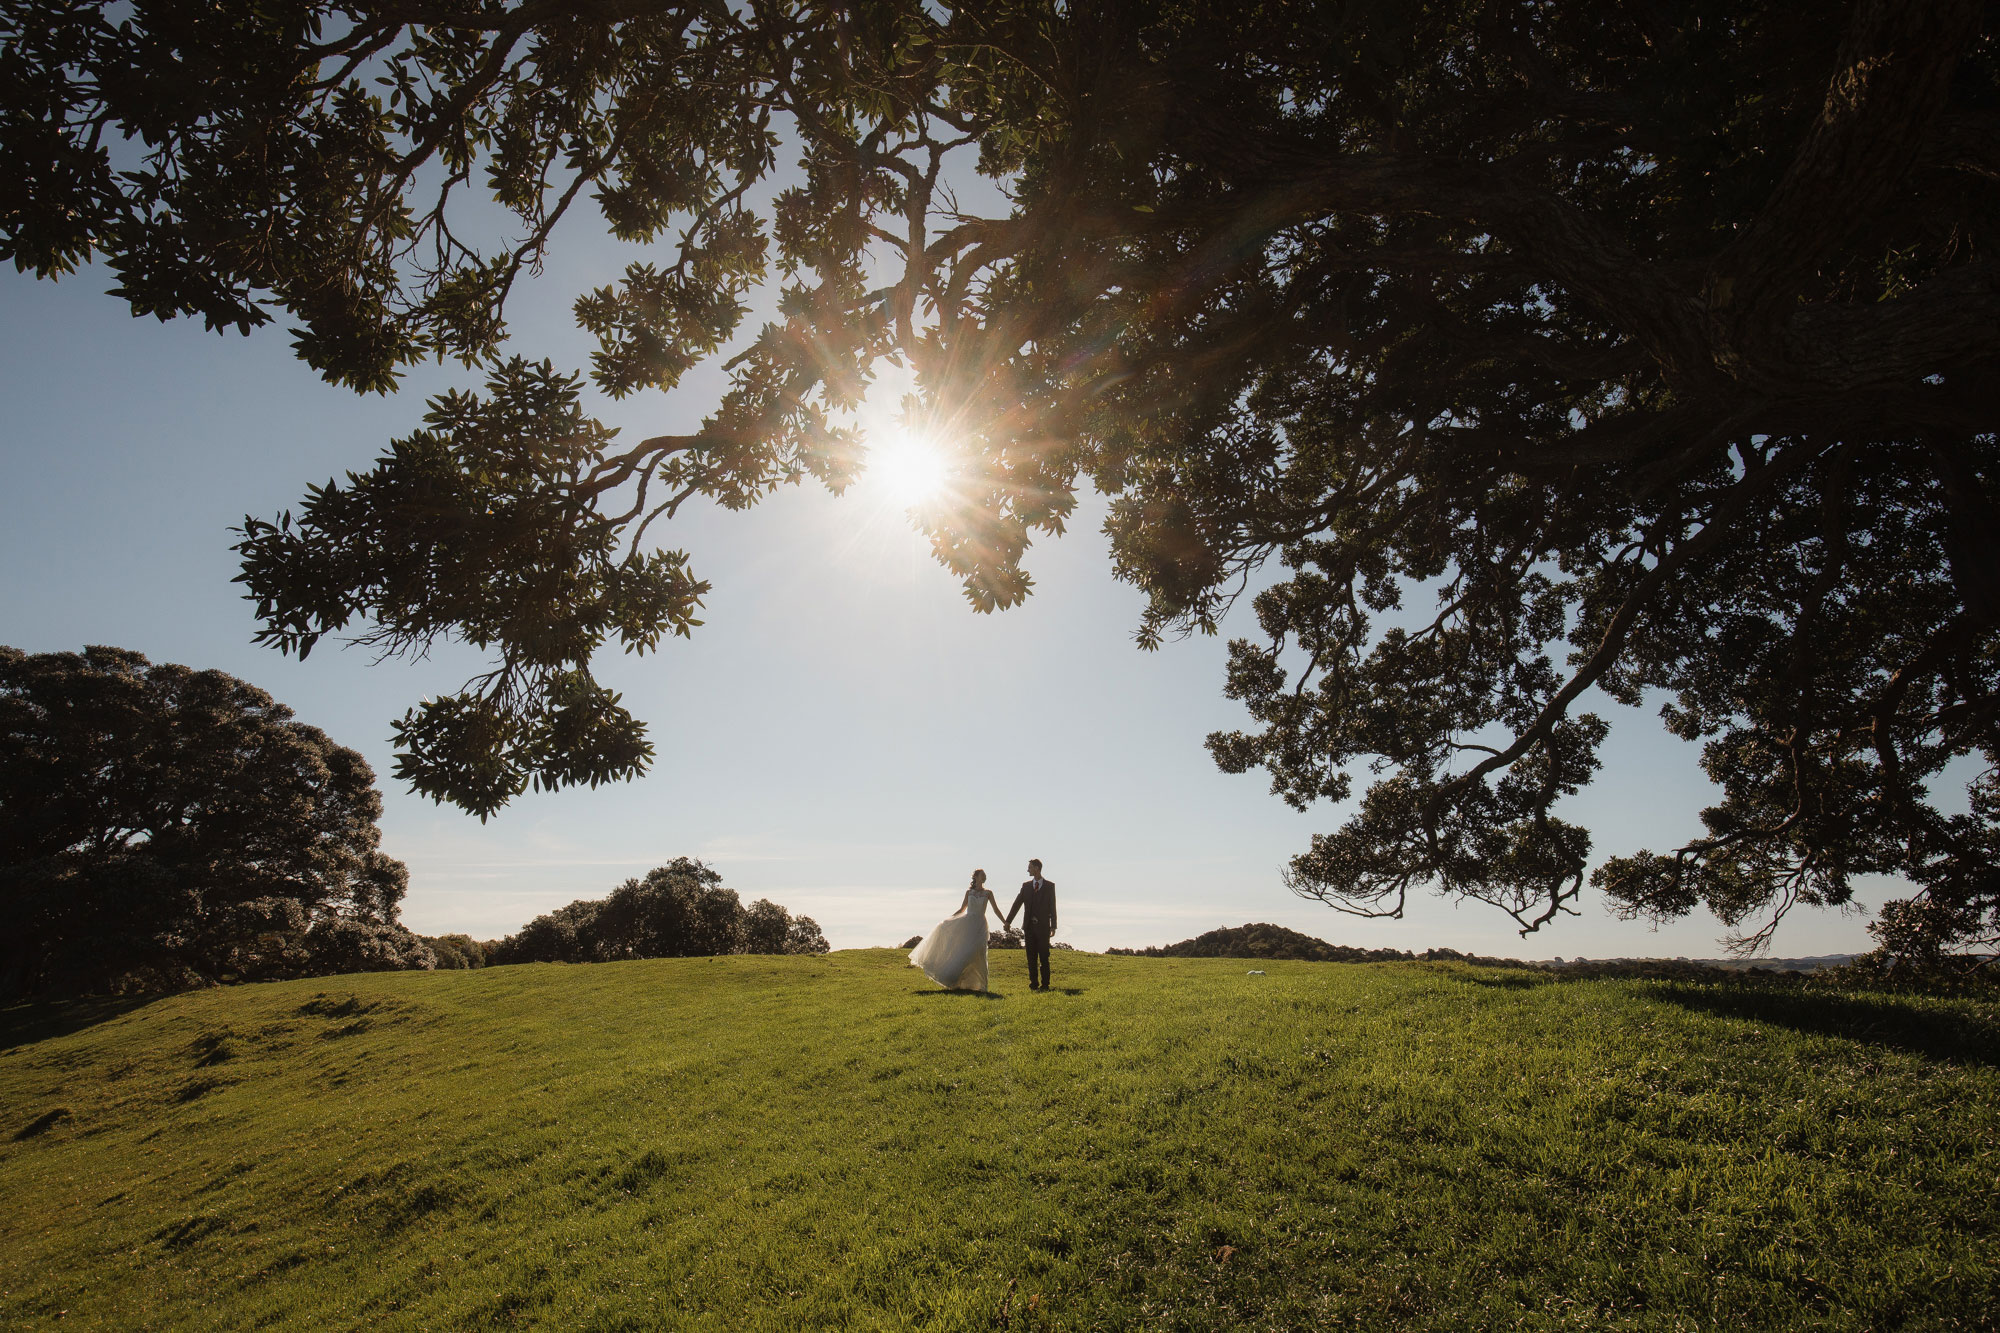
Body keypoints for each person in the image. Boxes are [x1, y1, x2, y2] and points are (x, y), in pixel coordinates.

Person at [908, 869, 1001, 991]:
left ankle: (981, 985)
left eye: (985, 875)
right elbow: (962, 909)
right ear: (976, 877)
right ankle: (954, 979)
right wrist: (949, 920)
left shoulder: (988, 893)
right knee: (965, 952)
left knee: (979, 954)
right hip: (968, 925)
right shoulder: (969, 892)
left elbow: (996, 909)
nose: (984, 877)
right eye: (982, 875)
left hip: (980, 925)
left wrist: (1005, 922)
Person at [1004, 858, 1057, 991]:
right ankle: (1034, 984)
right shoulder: (1026, 886)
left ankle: (1045, 985)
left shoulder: (1050, 886)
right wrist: (1008, 921)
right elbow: (1017, 904)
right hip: (1029, 927)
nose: (1028, 870)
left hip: (1044, 928)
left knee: (1044, 957)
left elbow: (1052, 907)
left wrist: (1053, 925)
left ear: (1037, 868)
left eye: (1030, 867)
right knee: (1031, 957)